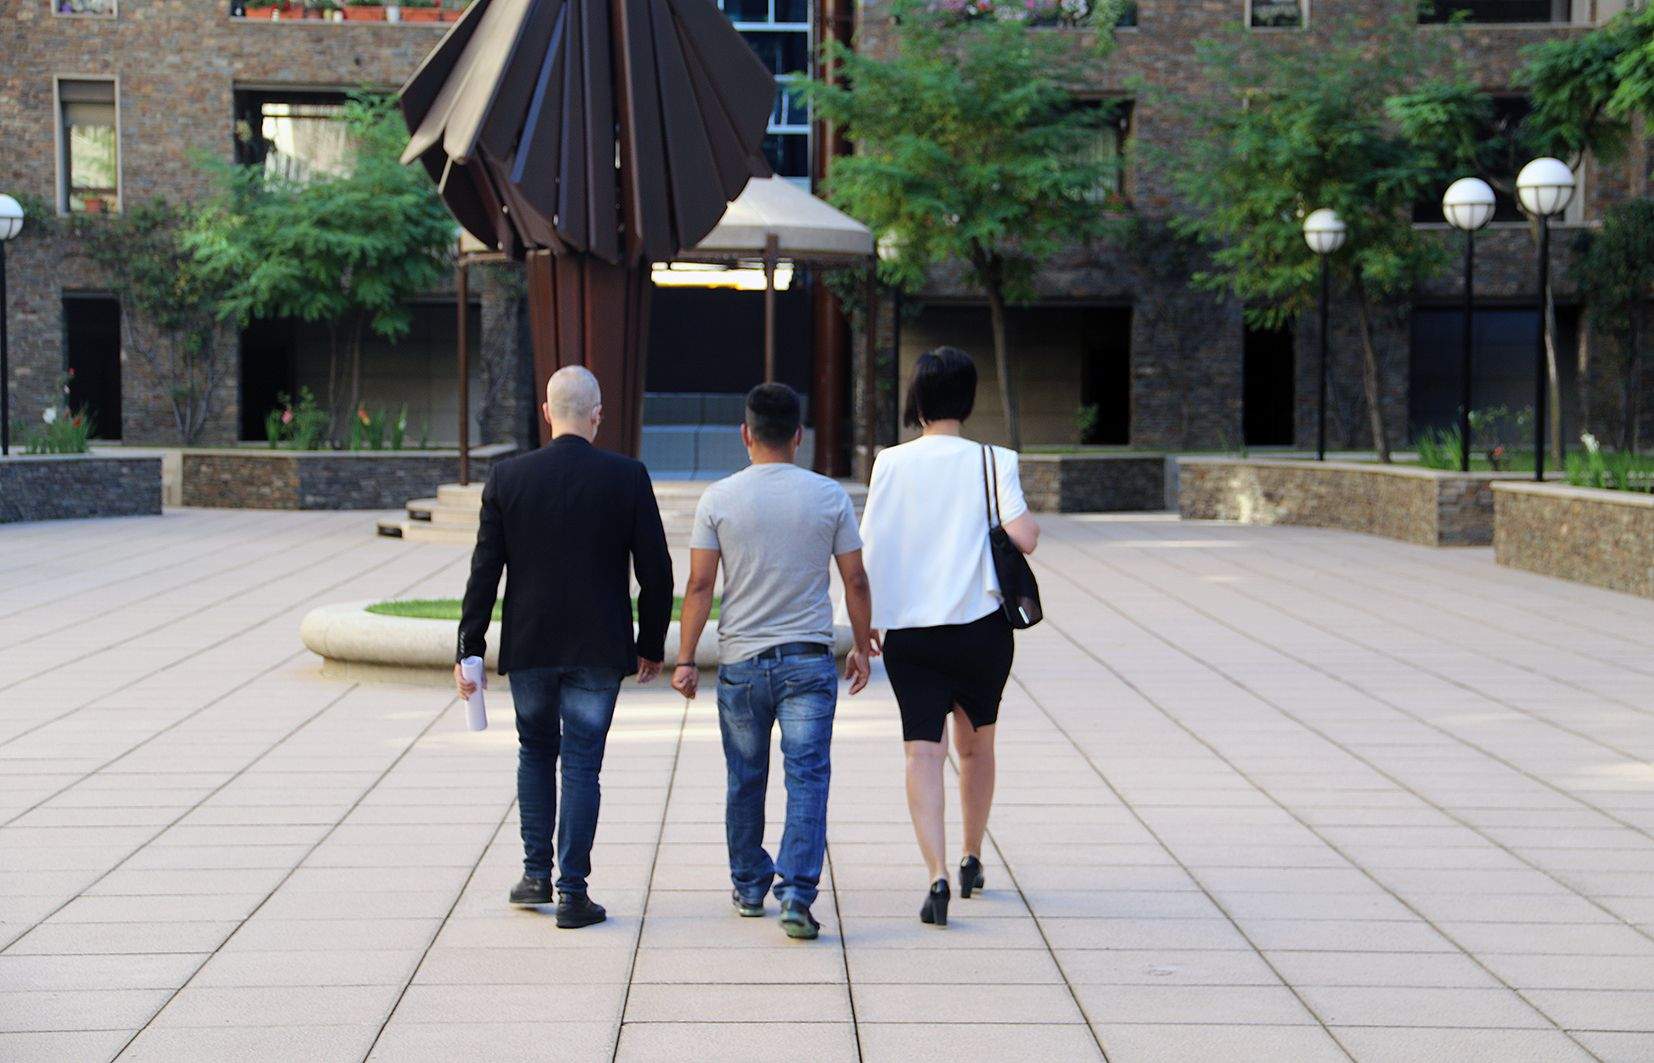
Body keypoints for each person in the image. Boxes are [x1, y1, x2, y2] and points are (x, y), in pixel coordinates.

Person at [455, 366, 673, 929]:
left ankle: (535, 875)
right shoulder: (627, 476)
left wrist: (469, 648)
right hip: (599, 646)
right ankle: (574, 892)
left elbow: (485, 573)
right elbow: (657, 571)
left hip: (530, 643)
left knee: (534, 751)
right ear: (598, 414)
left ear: (547, 412)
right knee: (582, 764)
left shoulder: (507, 478)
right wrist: (651, 643)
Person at [672, 383, 875, 941]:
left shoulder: (719, 498)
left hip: (740, 662)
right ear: (798, 436)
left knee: (746, 776)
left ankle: (747, 883)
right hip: (809, 661)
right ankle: (797, 894)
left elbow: (699, 584)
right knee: (808, 777)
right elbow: (854, 577)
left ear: (746, 434)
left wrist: (686, 658)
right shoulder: (828, 495)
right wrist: (861, 645)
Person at [856, 347, 1040, 927]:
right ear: (968, 398)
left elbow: (871, 547)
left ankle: (934, 871)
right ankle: (971, 856)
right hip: (982, 633)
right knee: (976, 746)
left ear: (918, 398)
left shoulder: (890, 463)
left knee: (922, 751)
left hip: (912, 633)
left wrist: (866, 629)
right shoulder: (994, 460)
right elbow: (1026, 538)